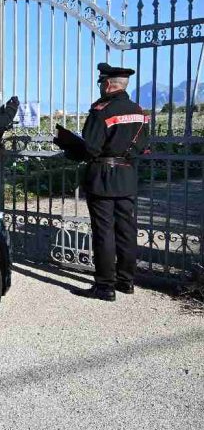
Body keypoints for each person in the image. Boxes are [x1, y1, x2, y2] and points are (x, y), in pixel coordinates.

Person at [57, 63, 149, 302]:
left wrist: (68, 145)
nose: (100, 86)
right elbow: (142, 146)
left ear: (108, 84)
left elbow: (91, 148)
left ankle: (104, 286)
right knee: (127, 230)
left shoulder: (102, 110)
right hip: (127, 175)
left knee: (104, 232)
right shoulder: (139, 111)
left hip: (103, 176)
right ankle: (126, 281)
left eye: (101, 82)